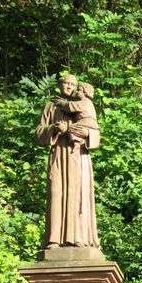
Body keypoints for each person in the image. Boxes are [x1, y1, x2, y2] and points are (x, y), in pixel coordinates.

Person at [35, 74, 100, 249]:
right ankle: (54, 239)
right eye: (66, 83)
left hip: (79, 157)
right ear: (59, 85)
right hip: (58, 156)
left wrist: (81, 132)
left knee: (78, 195)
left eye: (73, 84)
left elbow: (95, 133)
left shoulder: (82, 104)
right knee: (56, 193)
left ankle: (80, 238)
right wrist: (54, 129)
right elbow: (39, 132)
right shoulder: (51, 106)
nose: (70, 86)